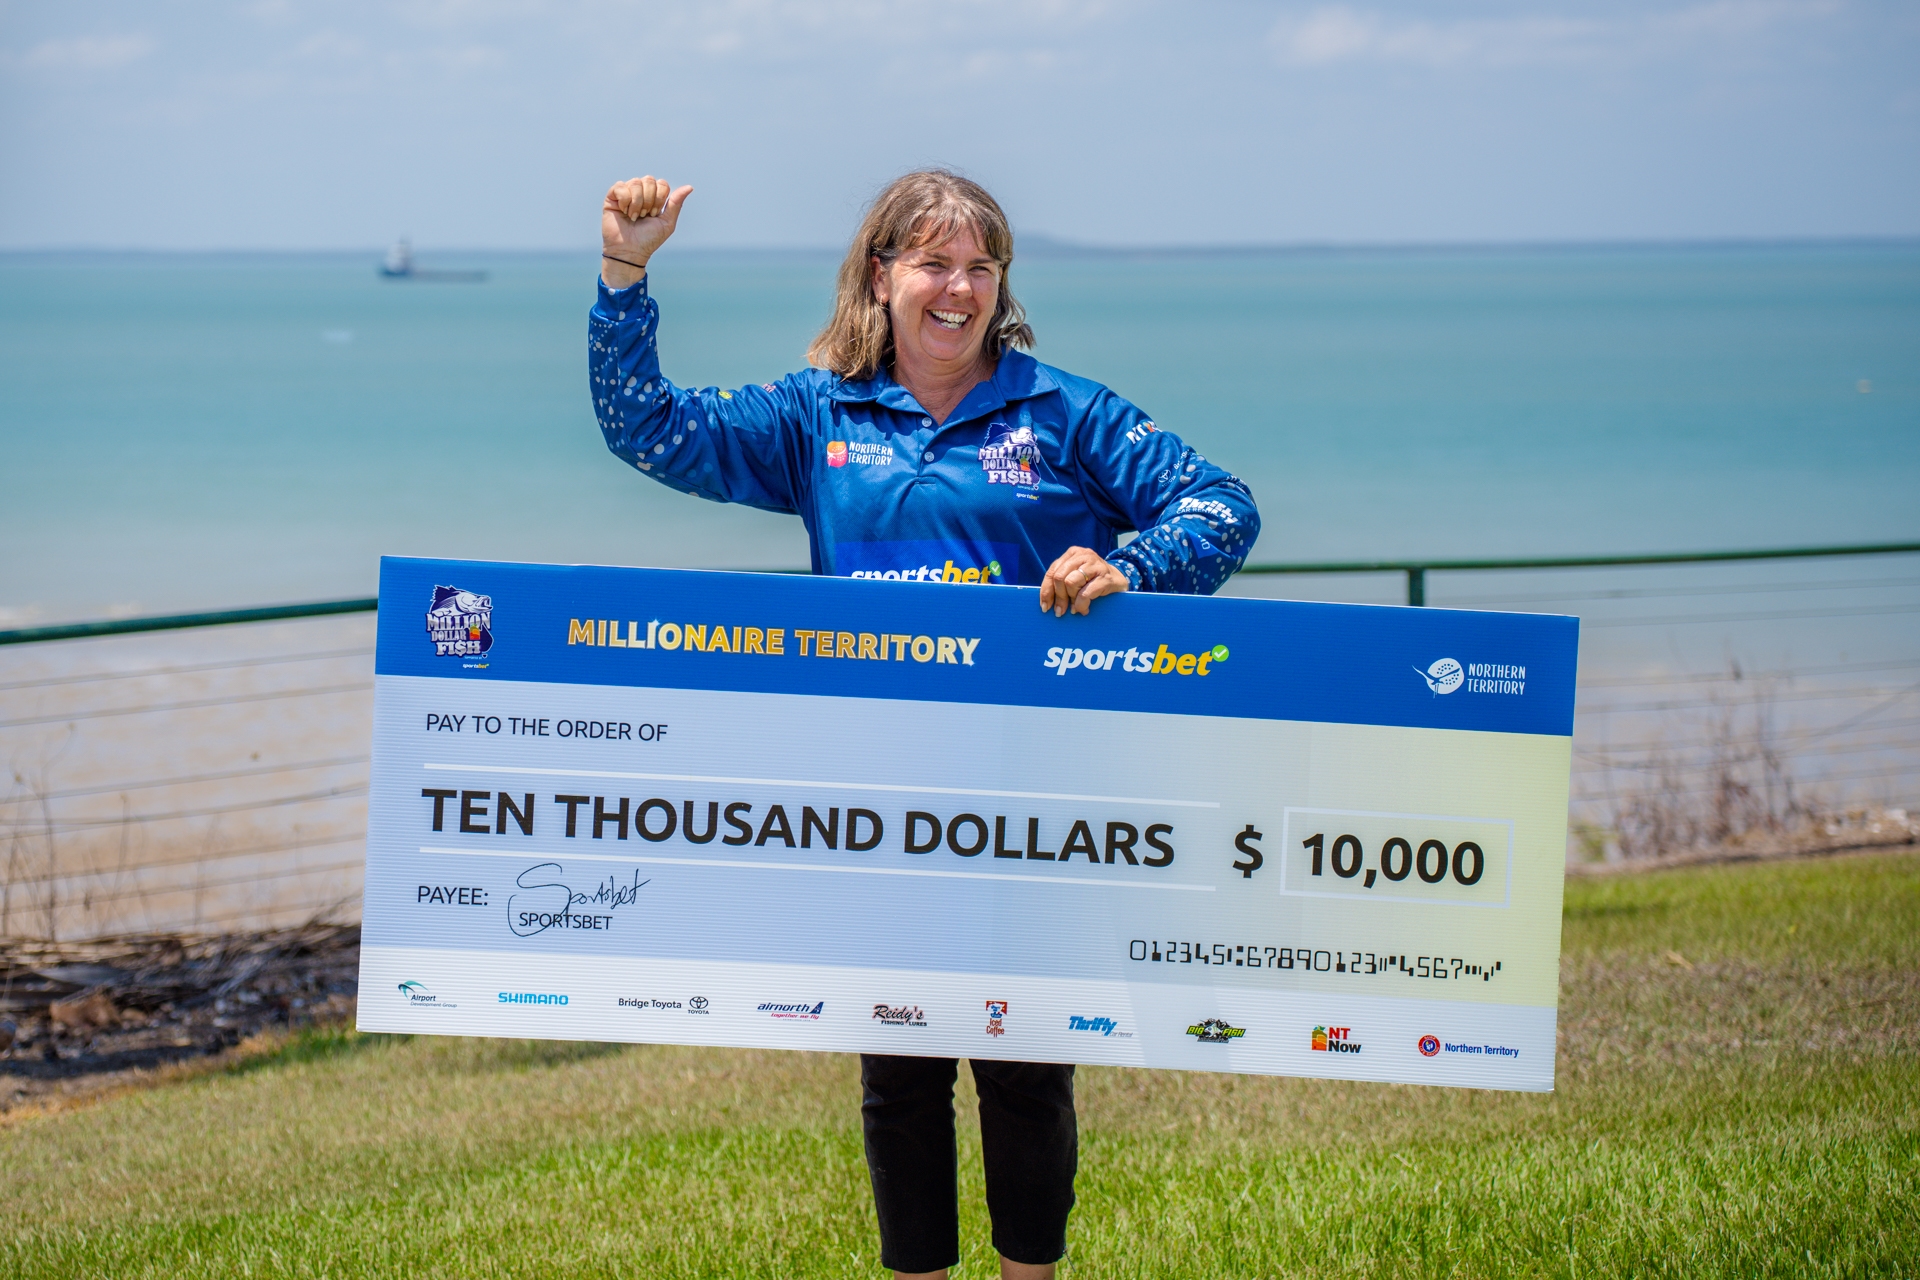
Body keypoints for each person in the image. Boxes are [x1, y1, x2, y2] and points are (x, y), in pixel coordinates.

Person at [589, 170, 1260, 1280]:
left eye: (980, 267)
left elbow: (1222, 506)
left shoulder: (1066, 413)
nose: (959, 288)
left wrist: (1132, 564)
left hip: (1035, 788)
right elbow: (647, 428)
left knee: (1026, 1068)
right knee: (899, 1071)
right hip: (882, 794)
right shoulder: (816, 415)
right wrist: (626, 271)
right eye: (934, 263)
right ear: (880, 275)